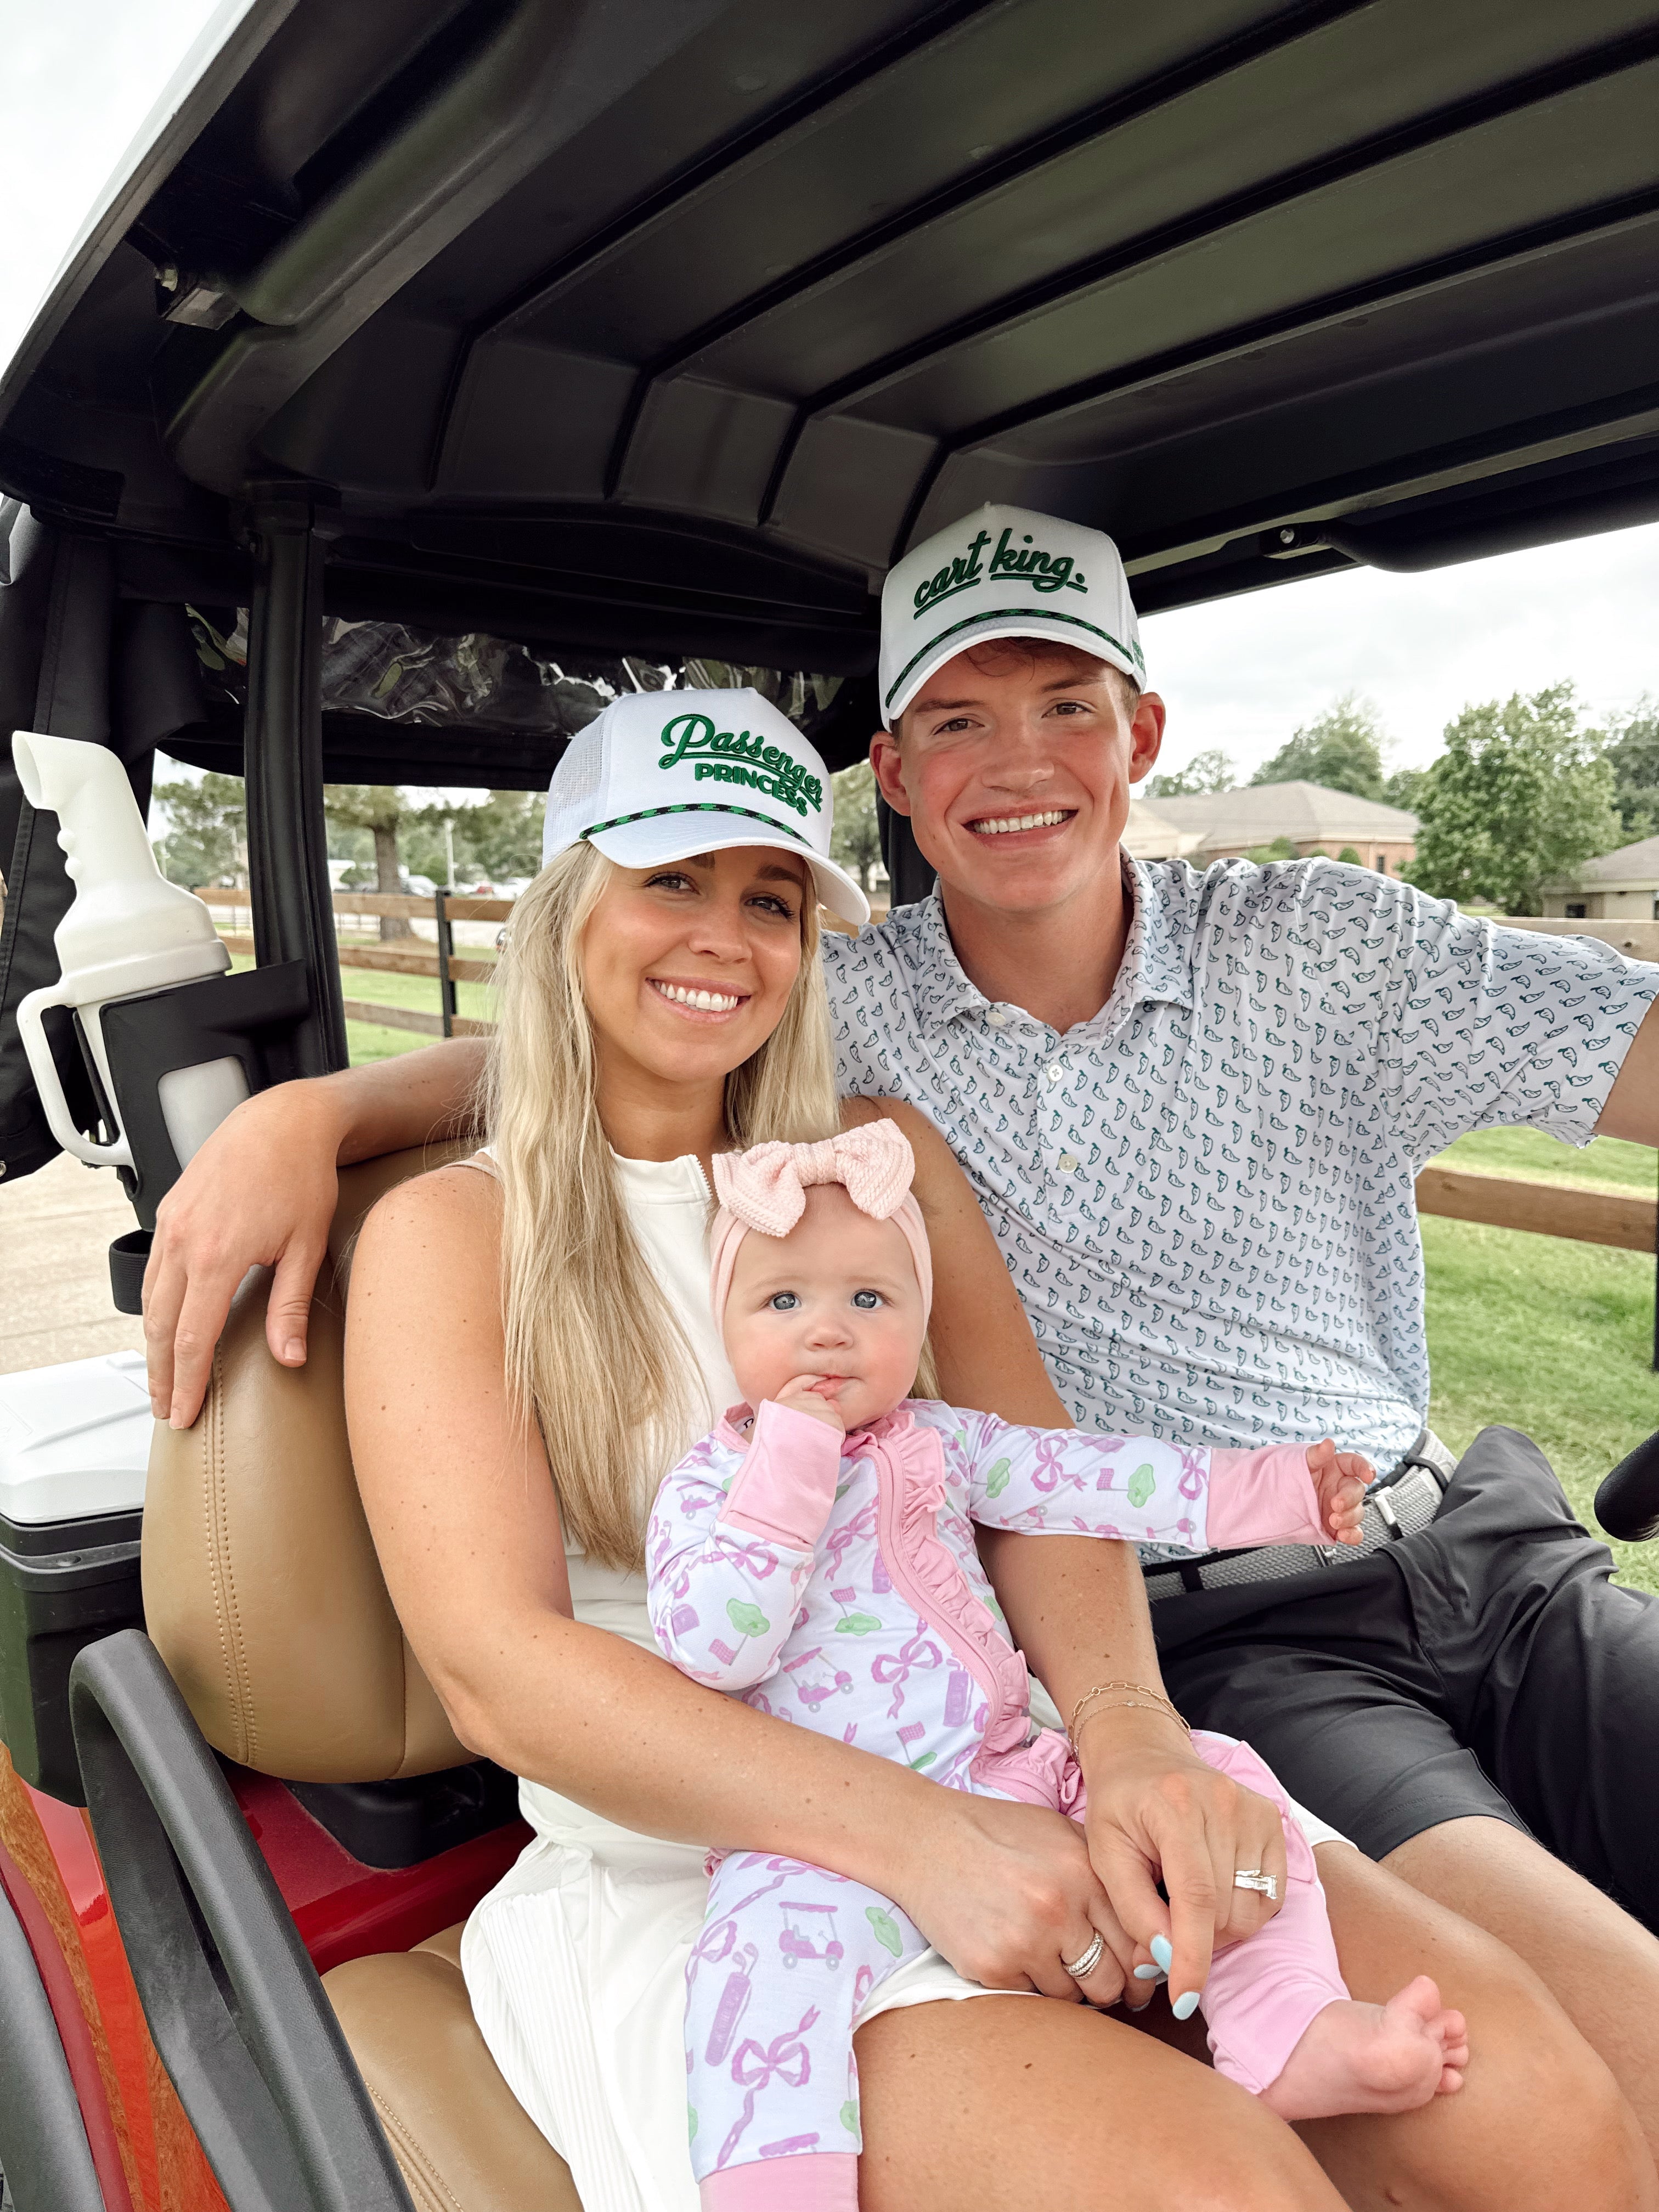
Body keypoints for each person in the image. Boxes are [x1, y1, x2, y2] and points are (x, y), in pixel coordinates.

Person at [143, 579, 1659, 2199]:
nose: (726, 938)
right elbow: (503, 1670)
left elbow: (1037, 1479)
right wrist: (923, 1845)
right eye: (672, 882)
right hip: (726, 1871)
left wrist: (1135, 1739)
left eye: (774, 899)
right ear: (568, 909)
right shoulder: (462, 1233)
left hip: (1002, 1762)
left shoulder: (874, 1162)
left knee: (1534, 2096)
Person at [651, 1121, 1463, 2210]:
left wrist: (1278, 1490)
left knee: (1223, 1784)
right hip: (822, 1835)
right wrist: (790, 1471)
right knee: (752, 1985)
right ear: (729, 1322)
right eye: (784, 1303)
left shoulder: (945, 1442)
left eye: (870, 1302)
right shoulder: (714, 1481)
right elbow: (717, 1646)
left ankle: (1287, 2031)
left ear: (917, 1320)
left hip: (1006, 1773)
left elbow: (1096, 1480)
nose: (829, 1335)